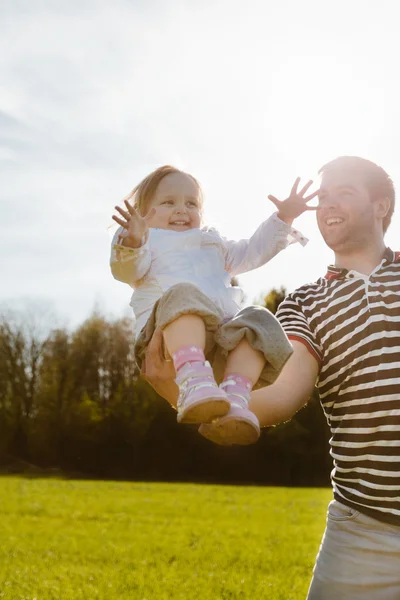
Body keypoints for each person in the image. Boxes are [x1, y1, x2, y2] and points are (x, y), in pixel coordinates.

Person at [142, 156, 400, 600]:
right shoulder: (305, 304)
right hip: (363, 531)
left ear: (381, 207)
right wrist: (182, 394)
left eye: (345, 192)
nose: (328, 204)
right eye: (323, 196)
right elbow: (282, 394)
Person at [110, 165, 316, 444]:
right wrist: (133, 240)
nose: (182, 209)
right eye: (169, 202)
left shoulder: (212, 243)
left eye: (191, 203)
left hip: (219, 344)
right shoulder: (145, 240)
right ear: (145, 211)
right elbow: (127, 272)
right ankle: (194, 380)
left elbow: (252, 251)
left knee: (259, 318)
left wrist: (284, 217)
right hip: (166, 340)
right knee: (183, 294)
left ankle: (235, 397)